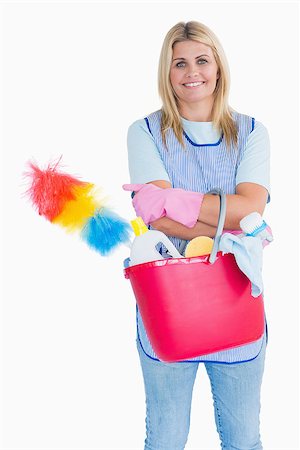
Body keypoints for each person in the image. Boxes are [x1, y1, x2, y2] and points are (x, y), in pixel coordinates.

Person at [124, 21, 270, 450]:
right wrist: (235, 218)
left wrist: (176, 205)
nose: (192, 72)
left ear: (219, 67)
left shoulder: (252, 132)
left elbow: (252, 207)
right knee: (166, 439)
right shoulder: (145, 132)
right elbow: (159, 222)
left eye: (202, 60)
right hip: (168, 311)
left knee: (244, 440)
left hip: (237, 302)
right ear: (166, 73)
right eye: (179, 63)